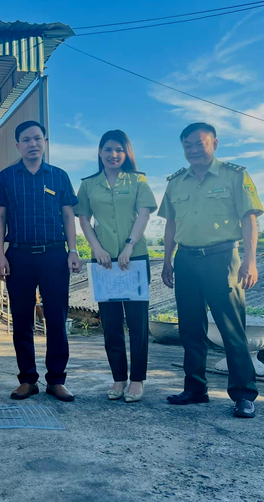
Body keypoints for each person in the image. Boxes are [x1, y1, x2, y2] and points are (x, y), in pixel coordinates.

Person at [159, 122, 263, 418]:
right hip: (186, 261)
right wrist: (167, 259)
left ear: (214, 143)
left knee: (232, 328)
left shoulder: (235, 175)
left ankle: (244, 394)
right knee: (190, 328)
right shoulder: (176, 182)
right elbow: (171, 224)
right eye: (187, 146)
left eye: (198, 143)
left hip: (223, 259)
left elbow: (249, 219)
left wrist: (250, 260)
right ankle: (195, 389)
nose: (193, 150)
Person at [0, 120, 82, 403]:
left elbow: (69, 216)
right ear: (17, 145)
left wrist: (73, 250)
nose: (33, 144)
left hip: (54, 254)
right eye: (27, 140)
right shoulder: (6, 177)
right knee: (21, 319)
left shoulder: (58, 176)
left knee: (56, 318)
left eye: (38, 139)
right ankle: (28, 380)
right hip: (18, 255)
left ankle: (56, 380)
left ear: (45, 142)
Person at [75, 130, 157, 403]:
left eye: (119, 150)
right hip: (103, 261)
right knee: (110, 324)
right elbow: (84, 219)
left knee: (137, 323)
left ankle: (137, 380)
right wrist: (97, 248)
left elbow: (143, 214)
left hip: (134, 258)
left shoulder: (137, 180)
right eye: (108, 149)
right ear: (100, 152)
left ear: (127, 153)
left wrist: (129, 246)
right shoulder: (88, 184)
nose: (113, 155)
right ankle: (119, 379)